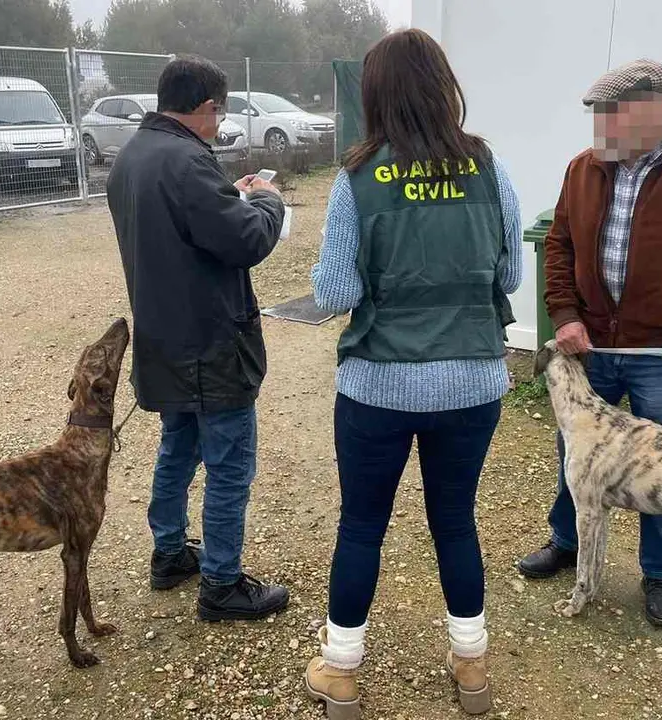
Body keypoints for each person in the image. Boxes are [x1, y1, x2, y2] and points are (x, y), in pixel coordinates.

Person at [303, 29, 523, 719]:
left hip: (379, 386)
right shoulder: (488, 168)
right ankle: (471, 664)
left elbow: (334, 291)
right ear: (442, 85)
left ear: (375, 96)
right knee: (455, 522)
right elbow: (512, 272)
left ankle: (341, 673)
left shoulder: (358, 176)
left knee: (362, 525)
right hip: (472, 384)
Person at [517, 58, 662, 628]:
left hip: (660, 355)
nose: (600, 133)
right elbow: (560, 248)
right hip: (592, 349)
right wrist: (564, 315)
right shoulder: (583, 168)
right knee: (575, 456)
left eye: (609, 118)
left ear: (651, 110)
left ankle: (658, 573)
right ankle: (567, 542)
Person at [105, 55, 290, 622]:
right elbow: (246, 241)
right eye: (220, 111)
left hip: (162, 340)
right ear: (209, 107)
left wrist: (225, 193)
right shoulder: (188, 162)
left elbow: (184, 225)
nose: (219, 121)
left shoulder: (131, 157)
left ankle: (168, 554)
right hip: (212, 344)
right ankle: (222, 584)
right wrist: (267, 200)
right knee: (229, 464)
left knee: (177, 448)